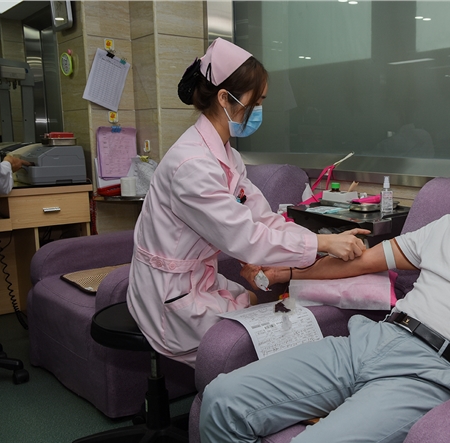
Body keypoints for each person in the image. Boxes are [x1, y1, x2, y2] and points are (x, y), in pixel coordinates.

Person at [198, 122, 450, 443]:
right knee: (222, 400)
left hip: (432, 374)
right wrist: (287, 273)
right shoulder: (447, 226)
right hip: (368, 341)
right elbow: (362, 262)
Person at [126, 38, 367, 367]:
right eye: (258, 101)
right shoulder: (192, 165)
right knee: (267, 337)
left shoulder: (228, 157)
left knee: (256, 302)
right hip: (169, 298)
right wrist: (322, 243)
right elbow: (246, 238)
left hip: (197, 281)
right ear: (225, 98)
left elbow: (262, 219)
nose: (260, 111)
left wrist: (321, 242)